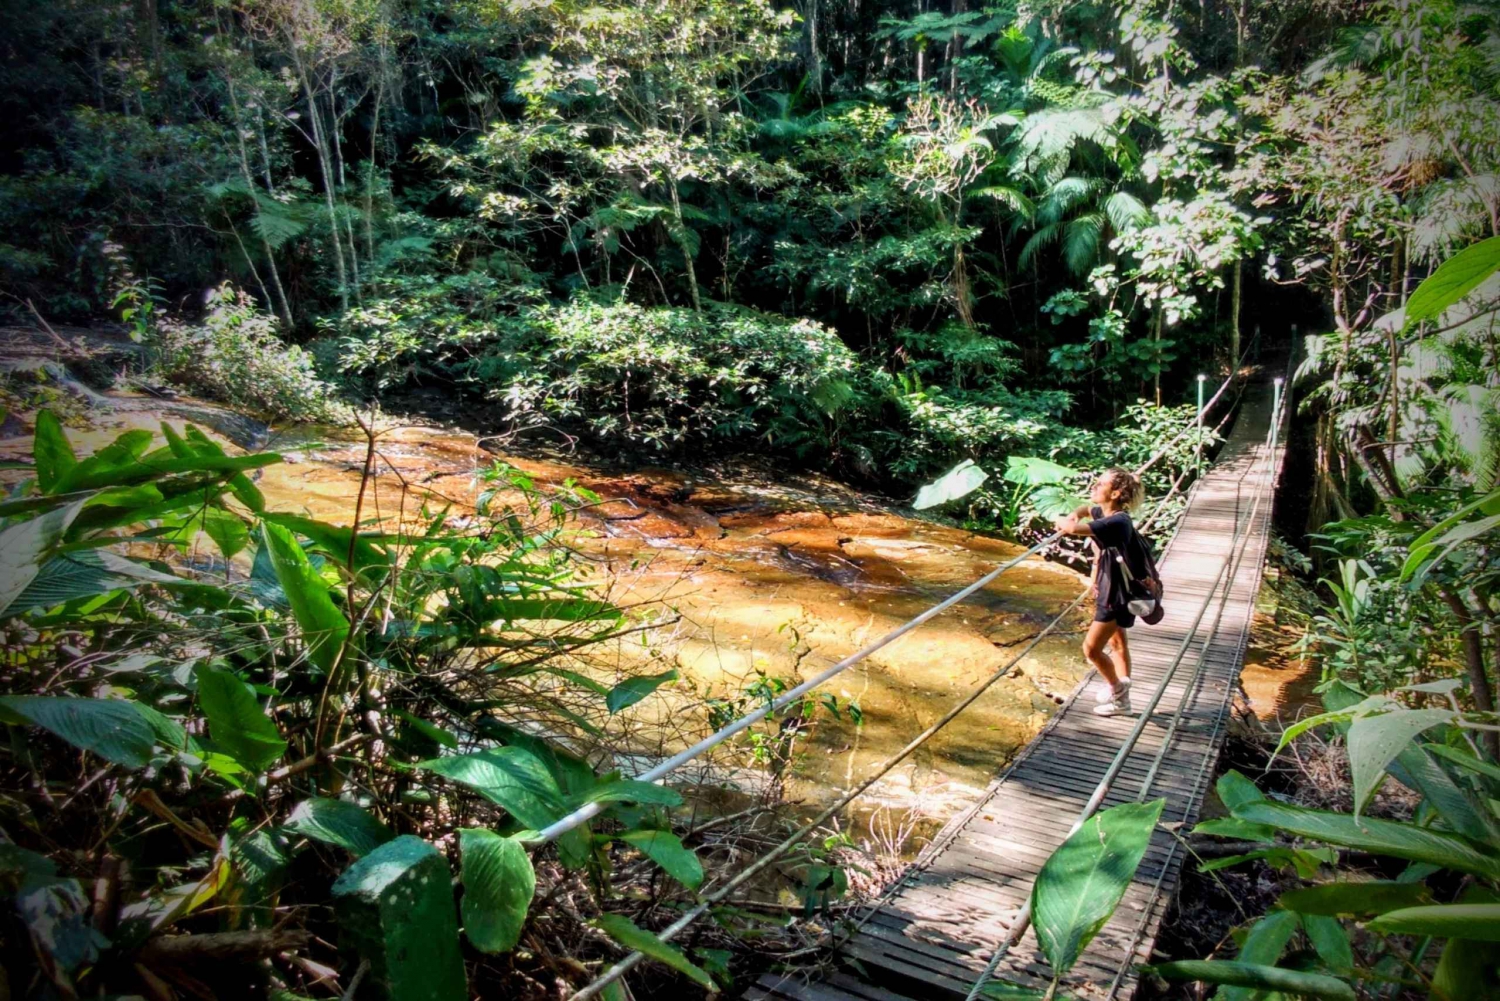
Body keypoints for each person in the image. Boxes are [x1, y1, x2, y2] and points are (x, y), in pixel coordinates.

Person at [1053, 467, 1158, 717]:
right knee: (1117, 641)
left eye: (1100, 484)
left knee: (1091, 649)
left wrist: (1061, 520)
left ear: (1116, 493)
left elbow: (1073, 530)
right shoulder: (1107, 512)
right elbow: (1085, 509)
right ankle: (1121, 693)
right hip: (1116, 586)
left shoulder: (1118, 521)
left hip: (1117, 594)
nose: (1094, 487)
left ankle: (1118, 694)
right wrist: (1073, 513)